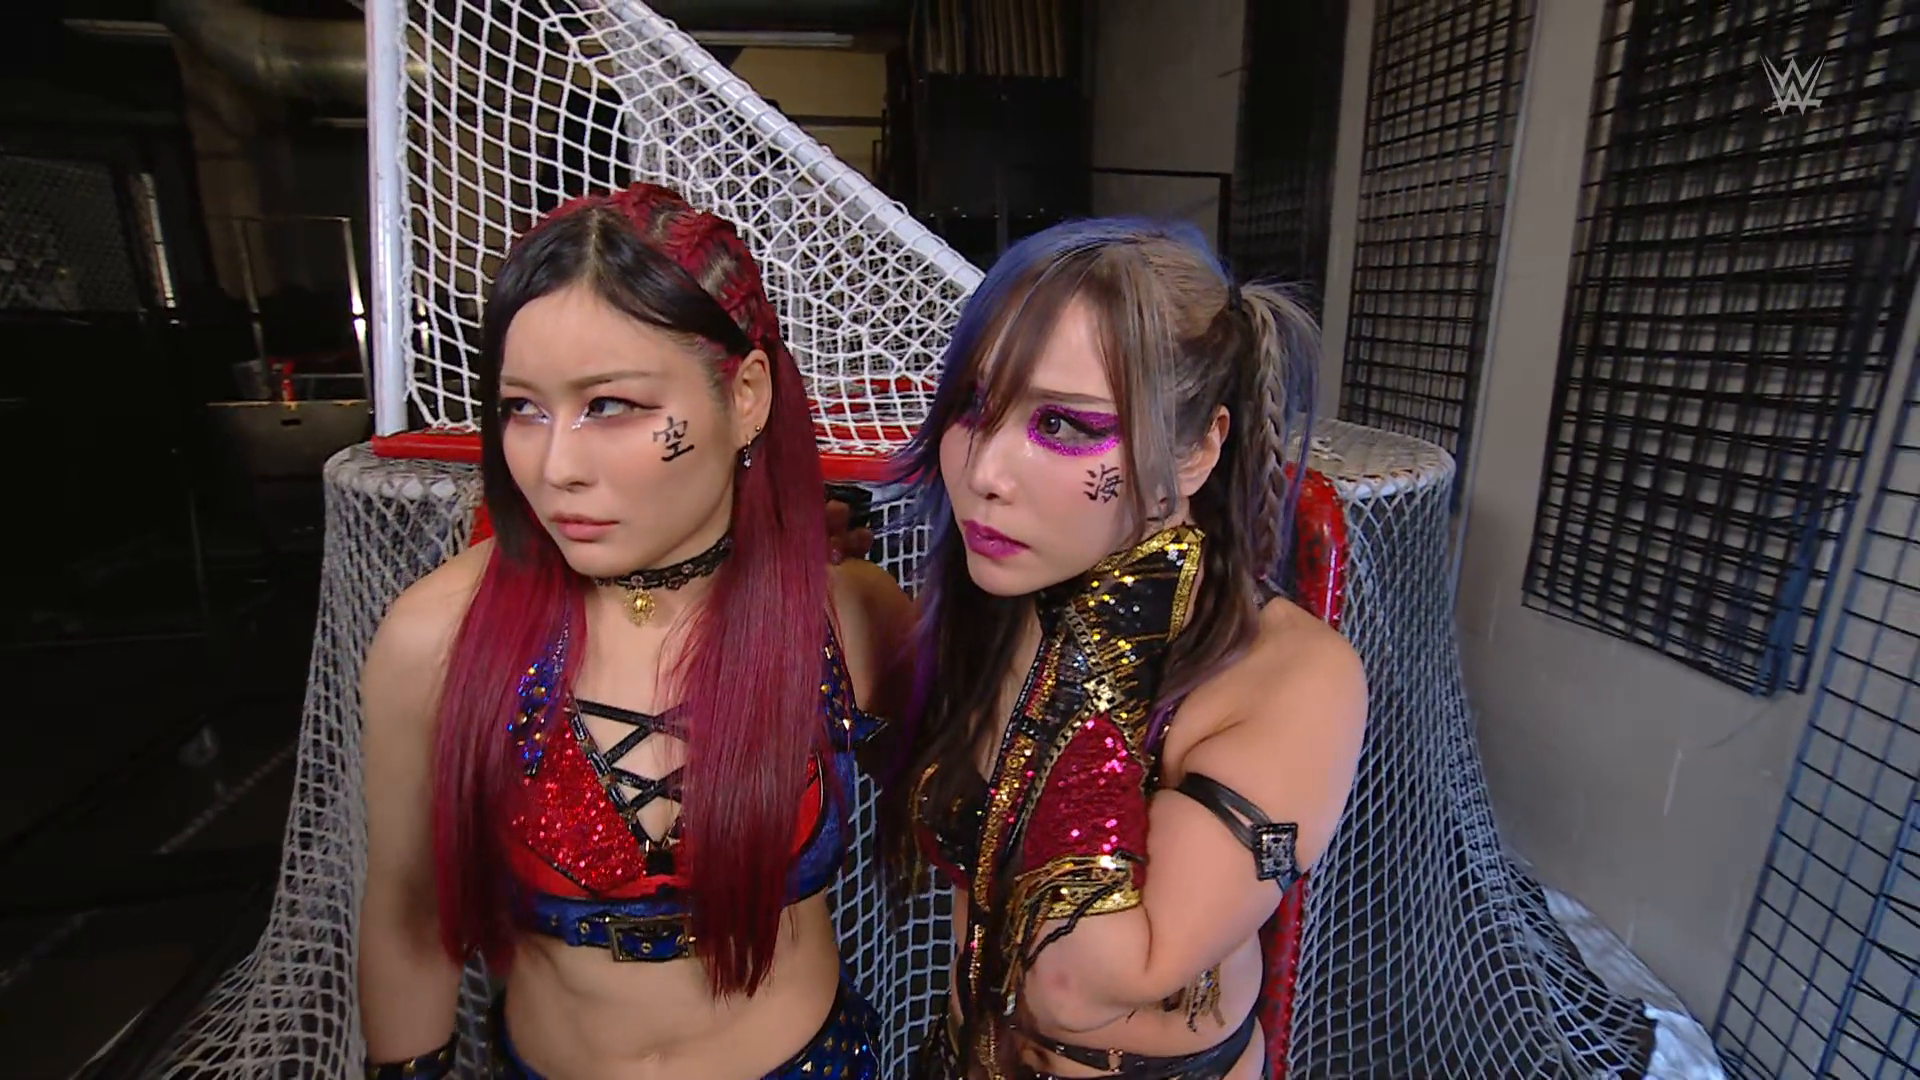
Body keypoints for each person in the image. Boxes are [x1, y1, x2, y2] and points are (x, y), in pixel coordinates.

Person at [356, 182, 913, 1080]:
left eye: (610, 405)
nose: (556, 466)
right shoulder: (438, 636)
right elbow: (408, 917)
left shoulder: (846, 618)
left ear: (748, 395)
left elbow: (980, 830)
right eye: (523, 408)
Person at [883, 217, 1368, 1080]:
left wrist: (1104, 654)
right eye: (973, 407)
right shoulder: (1001, 602)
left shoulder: (1295, 677)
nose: (984, 473)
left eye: (1064, 425)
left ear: (1196, 452)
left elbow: (1078, 982)